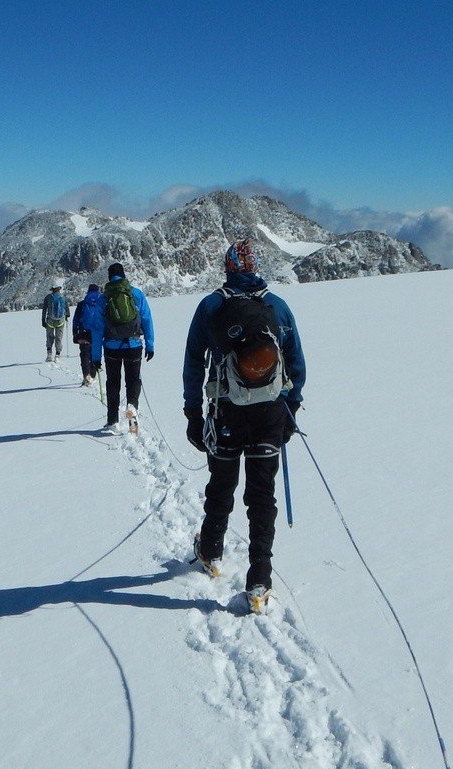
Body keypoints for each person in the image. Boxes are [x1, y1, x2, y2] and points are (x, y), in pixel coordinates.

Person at [182, 239, 305, 612]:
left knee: (221, 483)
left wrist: (192, 413)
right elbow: (296, 362)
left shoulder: (211, 306)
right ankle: (259, 580)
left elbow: (193, 362)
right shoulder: (277, 307)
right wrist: (292, 408)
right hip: (270, 413)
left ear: (228, 267)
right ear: (256, 265)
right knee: (262, 494)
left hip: (225, 412)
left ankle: (211, 549)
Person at [88, 261, 154, 433]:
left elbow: (96, 329)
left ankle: (112, 421)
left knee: (113, 383)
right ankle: (132, 411)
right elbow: (147, 319)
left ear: (109, 277)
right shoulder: (136, 294)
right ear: (124, 275)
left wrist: (95, 357)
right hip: (133, 344)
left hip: (111, 347)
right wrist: (150, 345)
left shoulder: (104, 298)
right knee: (133, 380)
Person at [72, 283, 103, 385]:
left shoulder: (82, 303)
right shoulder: (102, 303)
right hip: (97, 332)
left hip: (84, 332)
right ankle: (93, 375)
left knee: (84, 354)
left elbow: (76, 319)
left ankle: (86, 375)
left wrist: (75, 333)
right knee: (95, 353)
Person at [40, 283, 68, 363]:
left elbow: (44, 310)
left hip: (50, 321)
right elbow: (67, 311)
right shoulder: (63, 297)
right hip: (61, 321)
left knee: (49, 337)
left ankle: (49, 354)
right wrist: (66, 317)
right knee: (59, 338)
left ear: (52, 289)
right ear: (59, 289)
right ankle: (57, 355)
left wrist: (43, 320)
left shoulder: (48, 297)